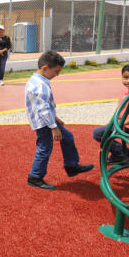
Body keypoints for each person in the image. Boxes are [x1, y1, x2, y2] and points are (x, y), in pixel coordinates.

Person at [25, 50, 94, 190]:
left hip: (48, 120)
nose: (57, 75)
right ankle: (35, 177)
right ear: (45, 68)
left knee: (67, 137)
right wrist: (54, 127)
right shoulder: (40, 85)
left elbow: (43, 105)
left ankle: (71, 166)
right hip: (44, 122)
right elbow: (42, 108)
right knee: (44, 148)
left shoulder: (38, 80)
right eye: (56, 71)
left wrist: (55, 118)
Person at [92, 63, 129, 164]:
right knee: (104, 133)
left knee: (98, 133)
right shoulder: (126, 89)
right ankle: (127, 154)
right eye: (125, 77)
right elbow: (121, 108)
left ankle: (120, 155)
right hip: (122, 122)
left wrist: (123, 123)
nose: (128, 81)